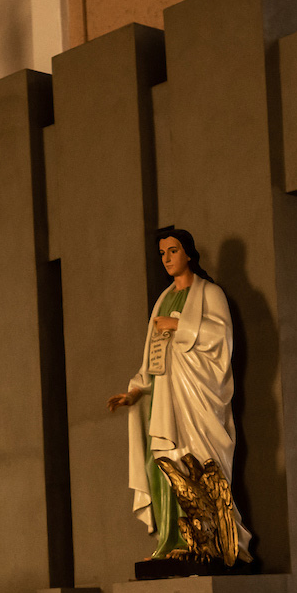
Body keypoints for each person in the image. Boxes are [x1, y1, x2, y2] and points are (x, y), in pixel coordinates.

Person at [106, 226, 251, 563]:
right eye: (162, 254)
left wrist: (178, 326)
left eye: (172, 251)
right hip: (164, 399)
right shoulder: (164, 298)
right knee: (165, 464)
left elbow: (222, 336)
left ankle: (210, 541)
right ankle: (173, 540)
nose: (167, 259)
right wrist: (135, 392)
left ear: (188, 252)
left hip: (197, 398)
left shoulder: (210, 293)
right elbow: (153, 360)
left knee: (197, 464)